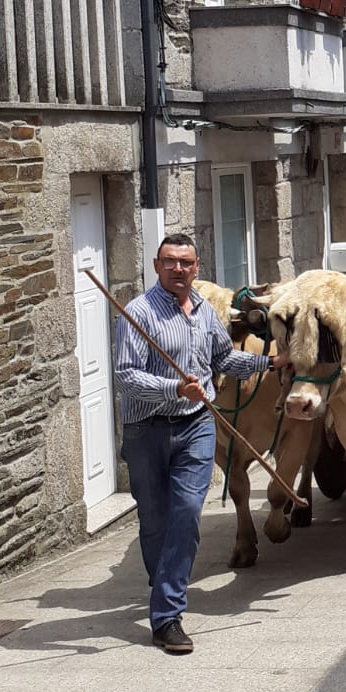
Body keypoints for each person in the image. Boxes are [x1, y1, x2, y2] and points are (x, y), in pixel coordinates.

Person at [113, 233, 292, 655]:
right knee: (155, 523)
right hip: (146, 430)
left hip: (196, 425)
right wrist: (175, 387)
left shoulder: (206, 313)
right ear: (157, 266)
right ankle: (166, 585)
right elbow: (126, 375)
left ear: (196, 267)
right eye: (170, 261)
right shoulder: (138, 313)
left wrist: (269, 362)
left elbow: (222, 359)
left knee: (188, 514)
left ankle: (166, 617)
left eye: (186, 262)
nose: (178, 269)